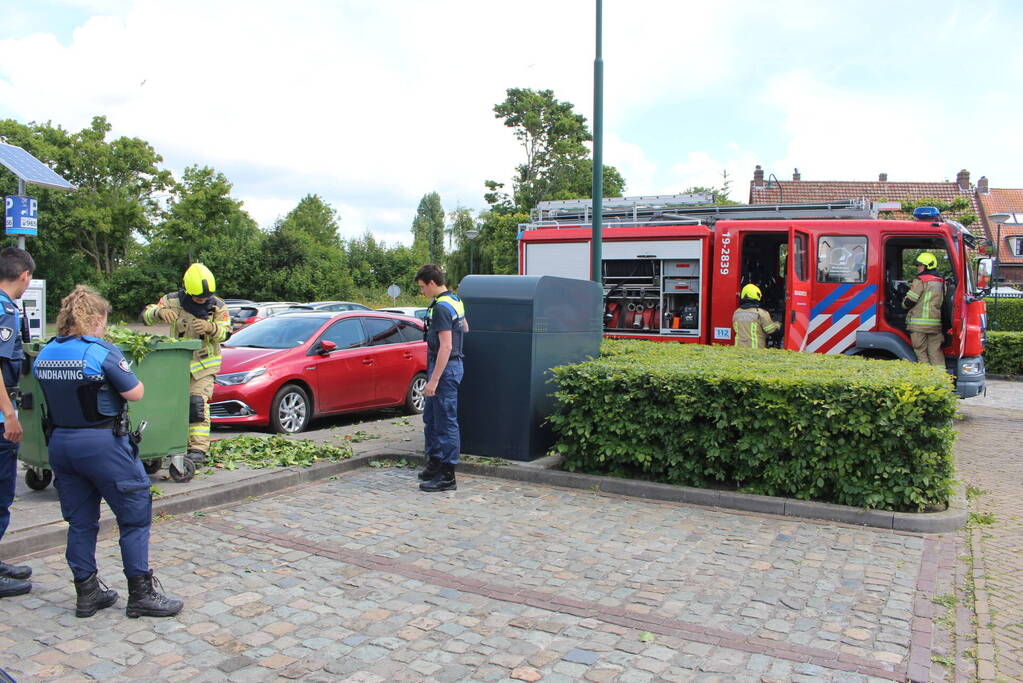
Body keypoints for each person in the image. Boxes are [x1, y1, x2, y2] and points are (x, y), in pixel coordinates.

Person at [34, 285, 182, 618]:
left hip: (60, 444)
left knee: (81, 522)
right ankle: (141, 595)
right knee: (134, 516)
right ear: (97, 318)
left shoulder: (46, 352)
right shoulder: (101, 351)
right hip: (102, 445)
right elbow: (135, 392)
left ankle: (87, 594)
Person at [141, 263, 230, 464]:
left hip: (204, 366)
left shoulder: (218, 306)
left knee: (197, 404)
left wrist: (210, 327)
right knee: (169, 406)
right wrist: (158, 313)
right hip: (175, 366)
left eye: (206, 297)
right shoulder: (171, 301)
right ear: (188, 291)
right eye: (199, 297)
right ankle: (169, 444)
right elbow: (146, 314)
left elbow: (226, 333)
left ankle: (198, 449)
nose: (203, 300)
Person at [0, 248, 34, 599]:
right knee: (0, 495)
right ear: (24, 275)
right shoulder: (5, 310)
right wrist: (9, 415)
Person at [415, 264, 467, 493]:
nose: (422, 291)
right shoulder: (454, 300)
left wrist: (434, 380)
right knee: (432, 418)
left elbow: (446, 346)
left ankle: (448, 476)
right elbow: (465, 327)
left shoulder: (443, 308)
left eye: (423, 287)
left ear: (432, 283)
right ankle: (435, 464)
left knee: (446, 422)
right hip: (447, 367)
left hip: (444, 370)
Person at [903, 252, 945, 368]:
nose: (917, 267)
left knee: (921, 352)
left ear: (927, 266)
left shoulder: (921, 280)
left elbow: (910, 301)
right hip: (935, 324)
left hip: (918, 325)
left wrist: (902, 304)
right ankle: (941, 379)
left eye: (919, 265)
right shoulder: (941, 281)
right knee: (935, 352)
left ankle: (927, 379)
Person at [732, 283, 780, 348]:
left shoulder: (737, 312)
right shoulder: (761, 313)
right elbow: (771, 330)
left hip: (738, 349)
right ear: (757, 295)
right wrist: (778, 325)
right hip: (755, 351)